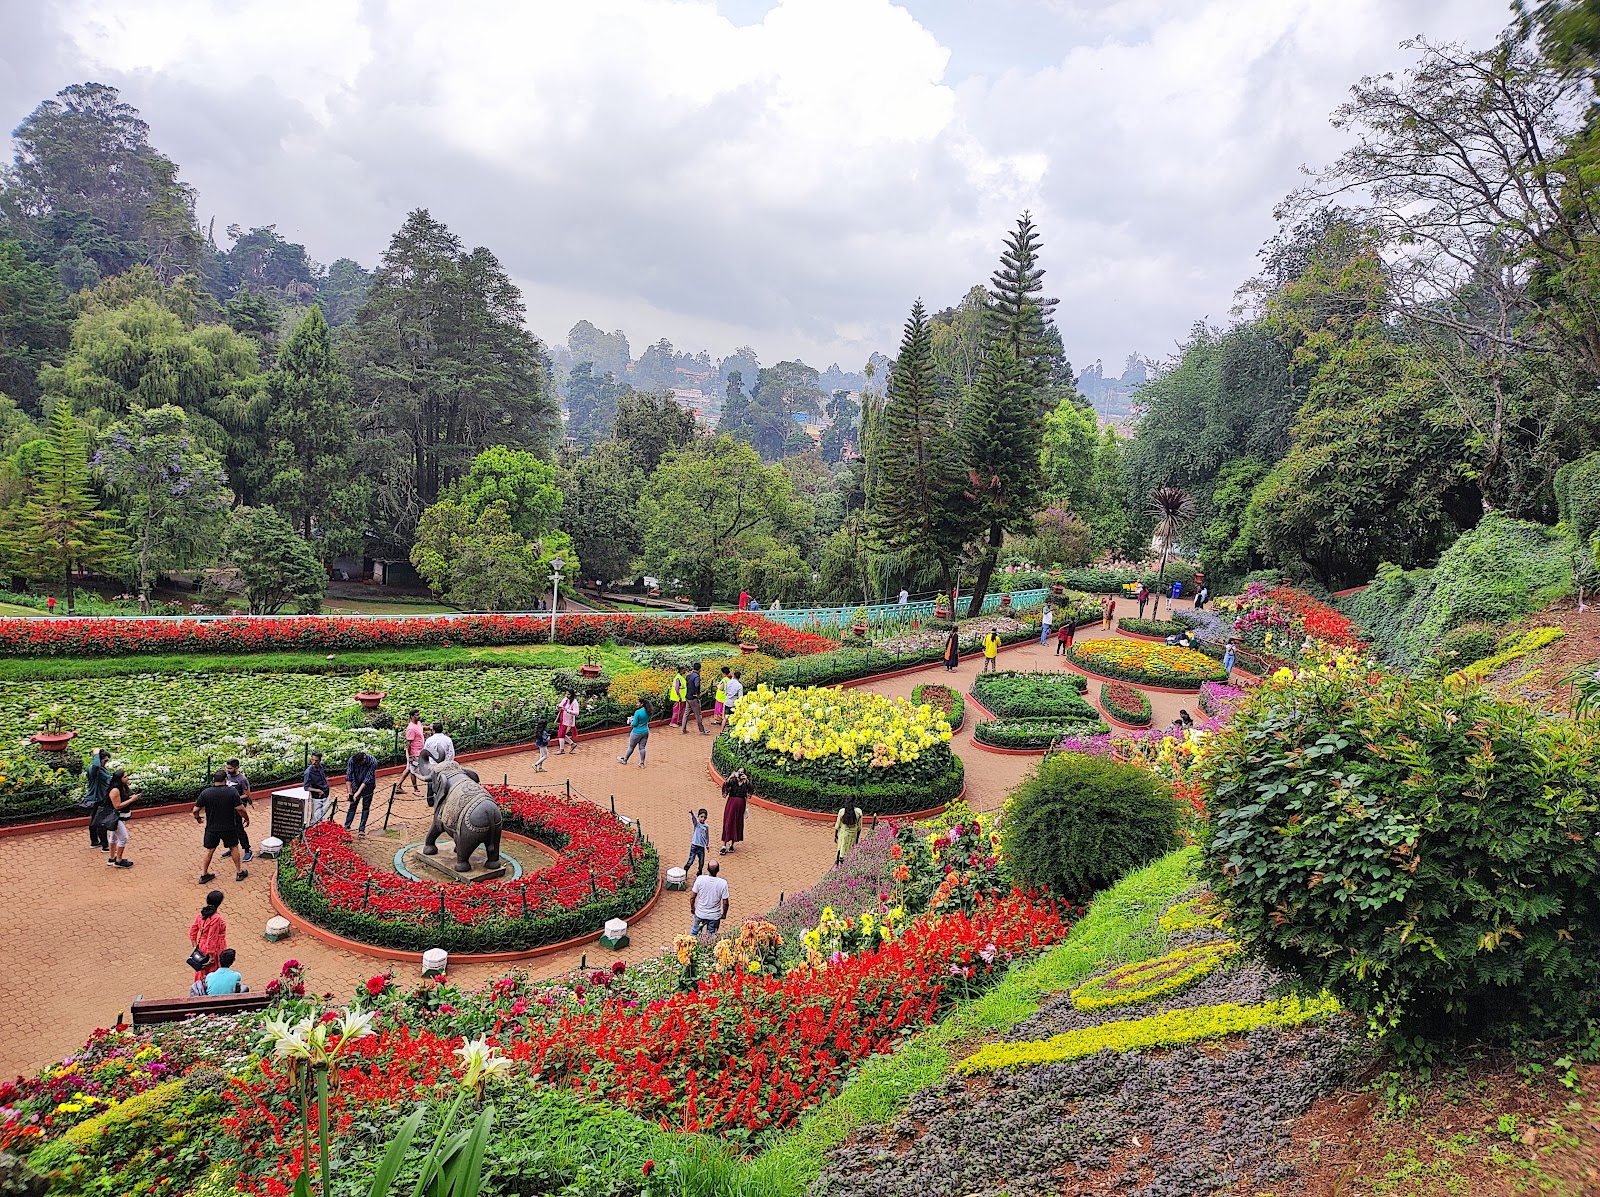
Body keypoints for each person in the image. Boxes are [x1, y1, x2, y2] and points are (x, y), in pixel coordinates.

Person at [194, 770, 248, 884]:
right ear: (225, 780)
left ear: (214, 780)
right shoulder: (232, 792)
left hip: (212, 827)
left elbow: (195, 809)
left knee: (210, 850)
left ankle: (204, 874)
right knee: (234, 847)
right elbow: (240, 809)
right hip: (229, 827)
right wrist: (246, 818)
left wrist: (197, 817)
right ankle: (239, 872)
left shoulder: (206, 793)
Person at [189, 889, 228, 987]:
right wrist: (211, 956)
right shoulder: (216, 918)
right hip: (214, 948)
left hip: (201, 946)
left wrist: (195, 946)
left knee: (201, 971)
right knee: (212, 972)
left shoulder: (201, 915)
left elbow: (192, 931)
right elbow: (212, 937)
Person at [104, 769, 136, 868]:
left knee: (113, 837)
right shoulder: (115, 790)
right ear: (119, 779)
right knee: (123, 838)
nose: (127, 778)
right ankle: (118, 860)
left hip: (119, 817)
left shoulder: (121, 788)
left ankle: (112, 858)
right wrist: (131, 800)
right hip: (116, 817)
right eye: (125, 777)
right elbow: (117, 806)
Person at [690, 859, 730, 937]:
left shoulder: (700, 879)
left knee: (694, 935)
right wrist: (724, 914)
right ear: (718, 870)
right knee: (711, 938)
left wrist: (692, 908)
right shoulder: (723, 883)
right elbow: (725, 903)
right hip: (714, 916)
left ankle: (691, 949)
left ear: (707, 869)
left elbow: (692, 897)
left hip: (700, 914)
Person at [224, 760, 254, 863]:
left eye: (230, 768)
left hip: (238, 806)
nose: (227, 770)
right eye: (227, 768)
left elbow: (247, 794)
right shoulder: (227, 776)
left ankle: (247, 849)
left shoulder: (242, 779)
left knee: (239, 828)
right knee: (229, 827)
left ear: (236, 767)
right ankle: (232, 848)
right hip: (228, 806)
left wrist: (234, 799)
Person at [344, 750, 377, 837]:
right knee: (352, 805)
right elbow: (348, 775)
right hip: (355, 784)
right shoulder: (352, 760)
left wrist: (358, 793)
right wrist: (349, 792)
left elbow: (368, 778)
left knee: (365, 807)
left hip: (368, 786)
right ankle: (346, 826)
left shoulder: (372, 761)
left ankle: (361, 829)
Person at [85, 748, 112, 851]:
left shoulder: (102, 769)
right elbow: (96, 765)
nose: (106, 763)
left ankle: (95, 841)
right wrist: (96, 754)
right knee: (101, 822)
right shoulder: (94, 769)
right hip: (98, 799)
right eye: (104, 761)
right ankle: (104, 846)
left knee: (95, 820)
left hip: (102, 798)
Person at [720, 768, 748, 854]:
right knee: (728, 822)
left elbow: (750, 791)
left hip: (741, 805)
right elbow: (725, 786)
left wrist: (746, 780)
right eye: (739, 772)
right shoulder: (733, 781)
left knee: (737, 823)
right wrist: (731, 777)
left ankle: (732, 844)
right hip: (731, 804)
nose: (740, 774)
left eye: (742, 772)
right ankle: (724, 845)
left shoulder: (746, 783)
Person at [618, 701, 650, 767]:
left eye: (638, 703)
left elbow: (634, 724)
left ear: (642, 704)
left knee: (631, 747)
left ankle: (625, 760)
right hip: (645, 731)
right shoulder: (648, 711)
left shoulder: (638, 712)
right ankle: (642, 763)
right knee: (642, 748)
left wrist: (630, 722)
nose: (636, 704)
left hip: (636, 732)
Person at [303, 750, 331, 824]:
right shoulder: (308, 772)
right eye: (312, 760)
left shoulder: (322, 766)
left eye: (316, 760)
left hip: (326, 792)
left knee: (324, 814)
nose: (314, 762)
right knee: (316, 816)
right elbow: (306, 787)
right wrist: (318, 790)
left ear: (320, 760)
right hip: (317, 796)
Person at [680, 662, 707, 734]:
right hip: (693, 698)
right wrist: (697, 694)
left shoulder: (689, 675)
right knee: (698, 714)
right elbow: (697, 685)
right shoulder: (696, 677)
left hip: (688, 696)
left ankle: (683, 729)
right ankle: (702, 730)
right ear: (699, 669)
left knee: (686, 713)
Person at [403, 710, 426, 793]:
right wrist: (410, 756)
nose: (418, 716)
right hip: (414, 753)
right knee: (413, 770)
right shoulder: (411, 729)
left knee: (409, 769)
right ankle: (415, 789)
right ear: (412, 716)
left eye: (419, 714)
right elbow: (408, 744)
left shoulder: (418, 723)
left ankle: (398, 786)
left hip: (418, 751)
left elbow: (421, 728)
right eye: (416, 715)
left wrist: (429, 727)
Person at [685, 807, 710, 878]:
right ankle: (685, 869)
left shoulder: (706, 826)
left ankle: (699, 873)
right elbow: (694, 820)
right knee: (691, 860)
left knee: (701, 862)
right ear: (698, 816)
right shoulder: (697, 824)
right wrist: (692, 814)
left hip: (701, 847)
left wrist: (707, 845)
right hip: (694, 846)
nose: (703, 819)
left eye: (704, 817)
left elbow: (707, 836)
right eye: (701, 817)